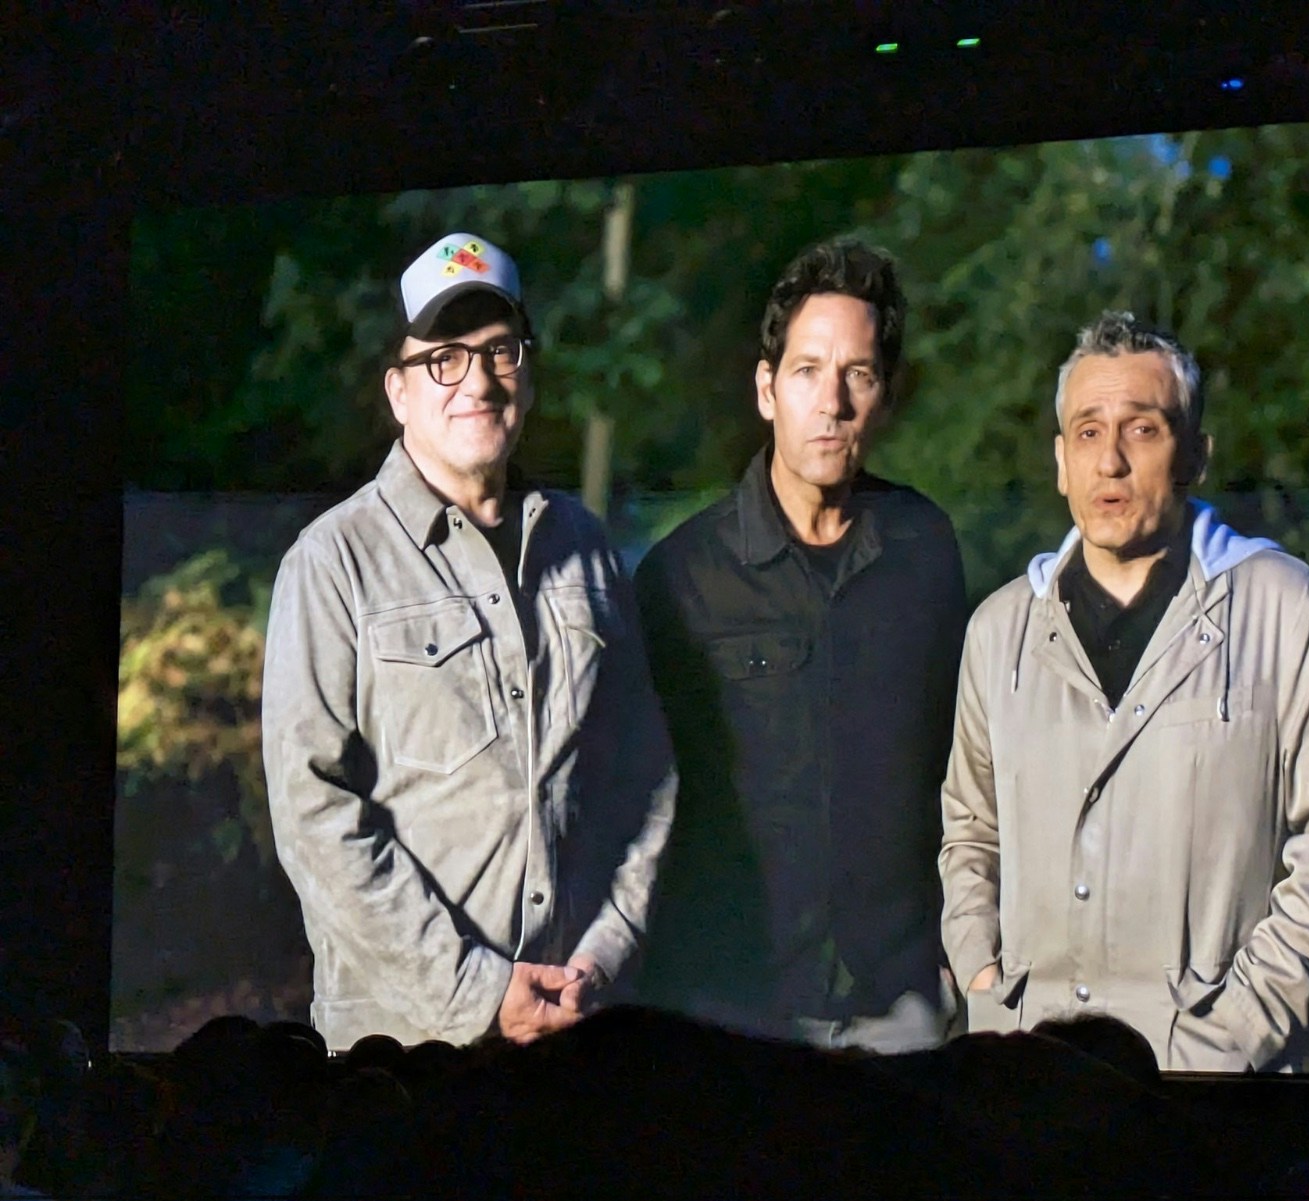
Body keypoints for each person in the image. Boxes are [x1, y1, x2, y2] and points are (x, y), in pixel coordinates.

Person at [939, 311, 1309, 1071]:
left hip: (1209, 1087)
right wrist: (984, 983)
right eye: (1088, 432)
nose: (1110, 461)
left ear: (1195, 455)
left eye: (1142, 430)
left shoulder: (1288, 609)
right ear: (1061, 461)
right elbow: (970, 831)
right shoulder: (999, 631)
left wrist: (1233, 1035)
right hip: (1028, 1073)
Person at [262, 232, 676, 1050]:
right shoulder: (332, 563)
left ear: (528, 372)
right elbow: (314, 816)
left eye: (498, 351)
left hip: (575, 1027)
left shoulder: (587, 548)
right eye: (443, 359)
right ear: (399, 392)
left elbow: (647, 777)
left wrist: (603, 954)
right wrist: (477, 991)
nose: (478, 381)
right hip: (402, 1053)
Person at [633, 239, 967, 1052]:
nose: (833, 402)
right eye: (808, 370)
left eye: (859, 374)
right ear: (766, 389)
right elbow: (638, 802)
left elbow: (959, 767)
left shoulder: (925, 548)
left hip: (899, 1000)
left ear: (885, 396)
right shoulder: (683, 576)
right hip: (731, 1005)